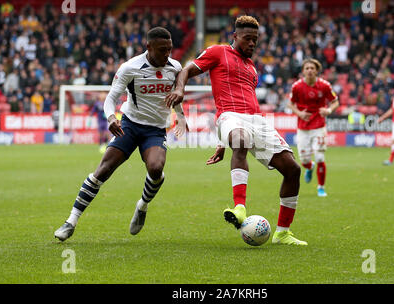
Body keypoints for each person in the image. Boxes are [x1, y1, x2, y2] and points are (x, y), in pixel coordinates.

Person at [166, 15, 307, 246]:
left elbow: (249, 100)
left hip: (257, 120)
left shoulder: (252, 68)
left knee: (292, 169)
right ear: (235, 36)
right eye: (247, 39)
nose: (252, 43)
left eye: (255, 39)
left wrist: (222, 143)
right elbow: (185, 70)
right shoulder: (218, 52)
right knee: (240, 139)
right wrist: (180, 89)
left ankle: (282, 233)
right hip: (230, 115)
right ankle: (240, 207)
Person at [54, 27, 188, 241]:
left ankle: (142, 206)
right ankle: (71, 221)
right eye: (162, 50)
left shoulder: (175, 67)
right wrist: (110, 118)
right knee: (103, 170)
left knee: (156, 168)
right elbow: (110, 98)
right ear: (149, 48)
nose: (167, 55)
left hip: (154, 129)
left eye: (170, 50)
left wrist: (181, 117)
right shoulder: (130, 68)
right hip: (129, 125)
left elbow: (175, 97)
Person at [287, 58, 339, 197]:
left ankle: (321, 187)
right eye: (307, 68)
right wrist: (299, 113)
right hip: (303, 127)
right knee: (304, 160)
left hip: (319, 126)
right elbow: (290, 103)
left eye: (312, 68)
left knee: (320, 157)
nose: (310, 70)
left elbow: (335, 102)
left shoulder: (324, 85)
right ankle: (310, 167)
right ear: (303, 71)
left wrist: (328, 110)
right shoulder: (297, 86)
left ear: (317, 71)